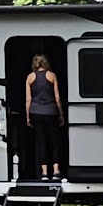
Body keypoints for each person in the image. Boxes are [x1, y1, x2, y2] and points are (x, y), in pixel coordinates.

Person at [25, 54, 65, 182]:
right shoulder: (52, 76)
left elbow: (28, 99)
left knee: (41, 142)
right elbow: (57, 97)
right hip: (51, 112)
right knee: (54, 142)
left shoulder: (30, 77)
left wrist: (28, 116)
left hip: (36, 112)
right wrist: (61, 114)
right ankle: (56, 171)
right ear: (45, 63)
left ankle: (44, 172)